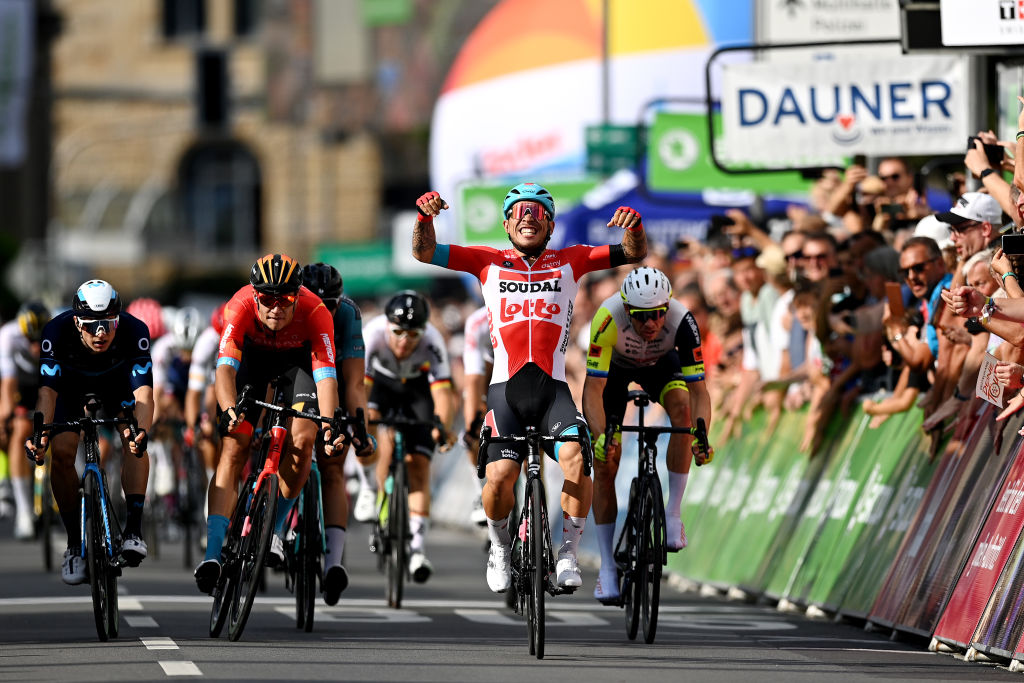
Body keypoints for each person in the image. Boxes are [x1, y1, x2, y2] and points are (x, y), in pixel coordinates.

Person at [411, 182, 647, 593]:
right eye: (519, 212)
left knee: (576, 457)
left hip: (553, 389)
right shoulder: (487, 261)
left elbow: (632, 252)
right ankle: (501, 547)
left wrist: (634, 227)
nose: (527, 217)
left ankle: (568, 553)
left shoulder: (571, 260)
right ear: (505, 224)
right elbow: (424, 251)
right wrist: (423, 219)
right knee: (500, 476)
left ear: (551, 225)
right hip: (506, 392)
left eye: (537, 212)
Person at [194, 253, 346, 595]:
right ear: (254, 294)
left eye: (286, 299)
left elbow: (326, 379)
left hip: (298, 365)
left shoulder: (316, 312)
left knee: (304, 439)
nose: (276, 307)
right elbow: (225, 370)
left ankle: (274, 530)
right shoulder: (240, 305)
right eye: (266, 299)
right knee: (234, 444)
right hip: (253, 361)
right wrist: (229, 408)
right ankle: (212, 555)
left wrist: (329, 427)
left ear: (298, 295)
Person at [582, 267, 712, 602]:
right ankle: (608, 568)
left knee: (682, 408)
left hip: (661, 366)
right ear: (627, 310)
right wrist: (601, 436)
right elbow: (592, 391)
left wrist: (701, 436)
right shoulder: (607, 319)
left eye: (658, 314)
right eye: (642, 317)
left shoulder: (683, 321)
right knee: (606, 463)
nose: (651, 323)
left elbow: (700, 392)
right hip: (614, 372)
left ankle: (672, 514)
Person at [25, 280, 153, 584]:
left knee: (134, 440)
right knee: (63, 453)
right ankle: (73, 544)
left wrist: (142, 431)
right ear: (76, 322)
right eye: (92, 325)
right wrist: (41, 437)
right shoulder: (55, 332)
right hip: (70, 389)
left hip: (116, 386)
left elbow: (145, 395)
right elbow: (47, 393)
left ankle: (133, 529)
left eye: (109, 324)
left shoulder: (135, 331)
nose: (101, 333)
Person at [358, 290, 456, 584]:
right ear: (387, 326)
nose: (404, 340)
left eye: (413, 334)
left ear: (423, 332)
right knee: (367, 432)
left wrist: (442, 427)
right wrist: (360, 424)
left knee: (418, 464)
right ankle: (367, 488)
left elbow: (442, 393)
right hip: (379, 384)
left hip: (416, 390)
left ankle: (416, 549)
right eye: (398, 332)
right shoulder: (372, 334)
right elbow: (358, 390)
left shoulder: (433, 342)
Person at [300, 262, 373, 604]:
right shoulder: (290, 308)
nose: (322, 310)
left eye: (329, 304)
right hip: (298, 376)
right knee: (291, 444)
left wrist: (360, 428)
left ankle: (333, 563)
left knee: (332, 470)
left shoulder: (347, 313)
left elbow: (354, 382)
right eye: (316, 302)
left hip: (335, 380)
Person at [0, 302, 52, 539]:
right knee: (20, 428)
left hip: (48, 382)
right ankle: (23, 511)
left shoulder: (56, 337)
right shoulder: (8, 336)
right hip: (21, 385)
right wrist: (6, 414)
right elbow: (8, 383)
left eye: (39, 340)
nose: (35, 346)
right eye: (30, 340)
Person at [460, 304, 491, 526]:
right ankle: (482, 492)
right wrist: (473, 424)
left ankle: (537, 513)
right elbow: (473, 380)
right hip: (488, 379)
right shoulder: (478, 322)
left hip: (525, 377)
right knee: (474, 432)